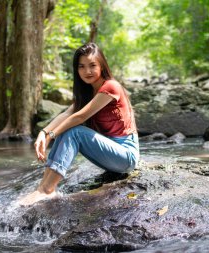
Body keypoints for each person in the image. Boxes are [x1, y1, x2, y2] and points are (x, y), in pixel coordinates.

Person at [19, 43, 140, 206]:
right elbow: (68, 114)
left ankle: (47, 190)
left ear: (102, 65)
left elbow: (80, 116)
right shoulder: (88, 92)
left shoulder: (111, 86)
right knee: (68, 127)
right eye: (81, 66)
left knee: (74, 131)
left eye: (92, 65)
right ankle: (43, 188)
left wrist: (52, 136)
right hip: (112, 154)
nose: (87, 71)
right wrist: (43, 133)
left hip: (126, 156)